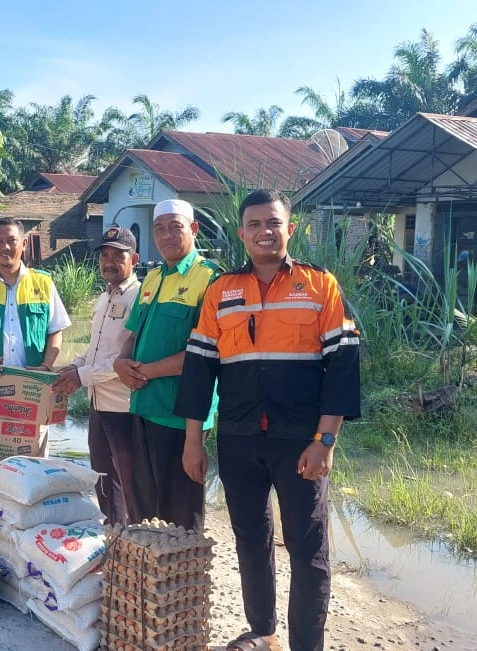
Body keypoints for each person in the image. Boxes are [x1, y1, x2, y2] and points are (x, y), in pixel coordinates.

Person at [176, 189, 361, 651]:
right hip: (238, 439)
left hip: (299, 440)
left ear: (289, 229)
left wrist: (326, 440)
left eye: (273, 223)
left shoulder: (321, 286)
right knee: (251, 540)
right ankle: (263, 632)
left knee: (307, 547)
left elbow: (342, 365)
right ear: (242, 233)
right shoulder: (221, 291)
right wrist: (193, 441)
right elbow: (200, 368)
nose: (264, 232)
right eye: (254, 224)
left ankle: (306, 645)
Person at [112, 199, 219, 532]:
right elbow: (132, 336)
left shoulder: (210, 279)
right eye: (159, 228)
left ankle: (186, 583)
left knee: (181, 519)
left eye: (176, 226)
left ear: (194, 229)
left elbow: (205, 355)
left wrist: (145, 372)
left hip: (179, 416)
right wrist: (120, 363)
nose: (167, 235)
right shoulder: (154, 278)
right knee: (144, 514)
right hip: (143, 408)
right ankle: (150, 579)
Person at [52, 226, 141, 525]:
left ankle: (135, 538)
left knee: (129, 480)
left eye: (118, 255)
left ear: (135, 260)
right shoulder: (103, 299)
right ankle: (112, 534)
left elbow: (123, 360)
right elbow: (95, 351)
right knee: (103, 474)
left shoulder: (139, 298)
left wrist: (81, 375)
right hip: (97, 402)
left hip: (124, 405)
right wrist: (73, 367)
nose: (109, 262)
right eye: (105, 255)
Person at [0, 217, 71, 409]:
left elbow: (55, 331)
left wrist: (46, 367)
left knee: (33, 439)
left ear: (24, 243)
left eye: (12, 241)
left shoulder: (44, 283)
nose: (5, 247)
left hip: (33, 385)